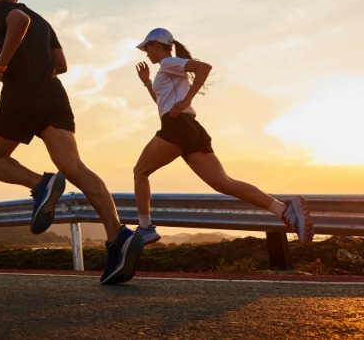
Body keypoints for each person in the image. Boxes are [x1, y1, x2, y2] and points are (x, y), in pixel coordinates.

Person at [0, 0, 143, 285]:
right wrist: (17, 65)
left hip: (21, 97)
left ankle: (40, 184)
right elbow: (61, 64)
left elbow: (17, 21)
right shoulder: (42, 20)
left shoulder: (1, 10)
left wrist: (1, 69)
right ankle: (117, 235)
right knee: (75, 167)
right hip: (53, 96)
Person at [132, 27, 314, 246]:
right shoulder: (167, 70)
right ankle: (282, 209)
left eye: (147, 47)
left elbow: (204, 67)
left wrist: (188, 99)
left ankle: (145, 228)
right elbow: (162, 103)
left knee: (140, 172)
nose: (146, 52)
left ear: (156, 45)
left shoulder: (169, 63)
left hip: (177, 127)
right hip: (191, 129)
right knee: (224, 183)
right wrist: (147, 83)